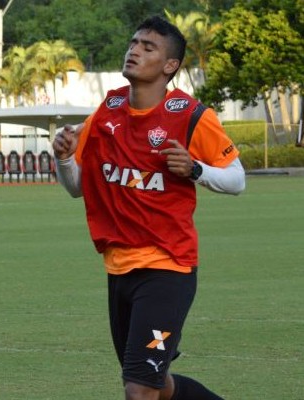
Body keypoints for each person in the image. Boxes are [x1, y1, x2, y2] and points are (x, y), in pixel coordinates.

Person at [53, 15, 245, 400]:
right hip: (119, 269)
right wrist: (63, 158)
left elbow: (237, 179)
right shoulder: (108, 111)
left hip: (167, 268)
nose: (134, 50)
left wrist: (194, 169)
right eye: (134, 43)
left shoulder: (190, 116)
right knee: (157, 386)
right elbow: (77, 188)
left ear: (170, 66)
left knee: (139, 390)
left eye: (148, 47)